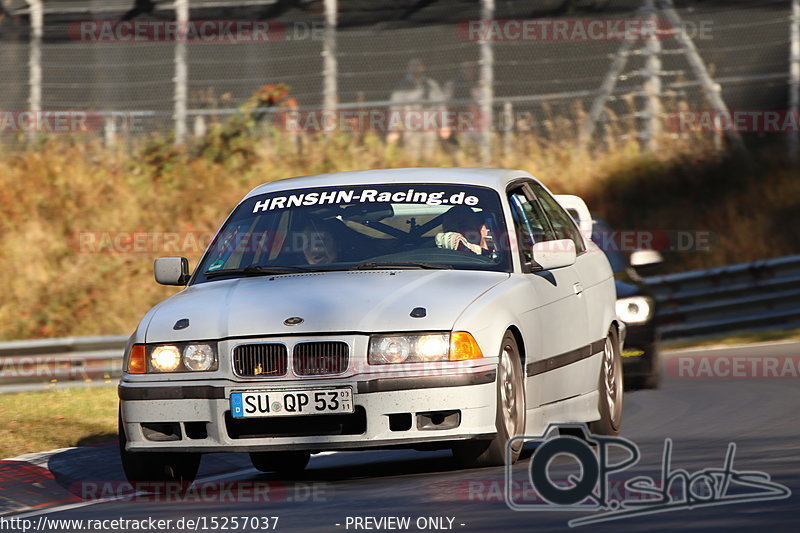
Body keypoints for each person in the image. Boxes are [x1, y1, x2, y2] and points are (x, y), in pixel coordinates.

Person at [387, 58, 451, 161]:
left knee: (430, 160)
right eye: (413, 66)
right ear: (408, 68)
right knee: (413, 162)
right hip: (411, 130)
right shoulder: (402, 86)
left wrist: (444, 125)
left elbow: (440, 106)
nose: (416, 68)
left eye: (418, 66)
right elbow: (395, 108)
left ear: (423, 68)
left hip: (430, 129)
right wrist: (393, 131)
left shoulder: (431, 85)